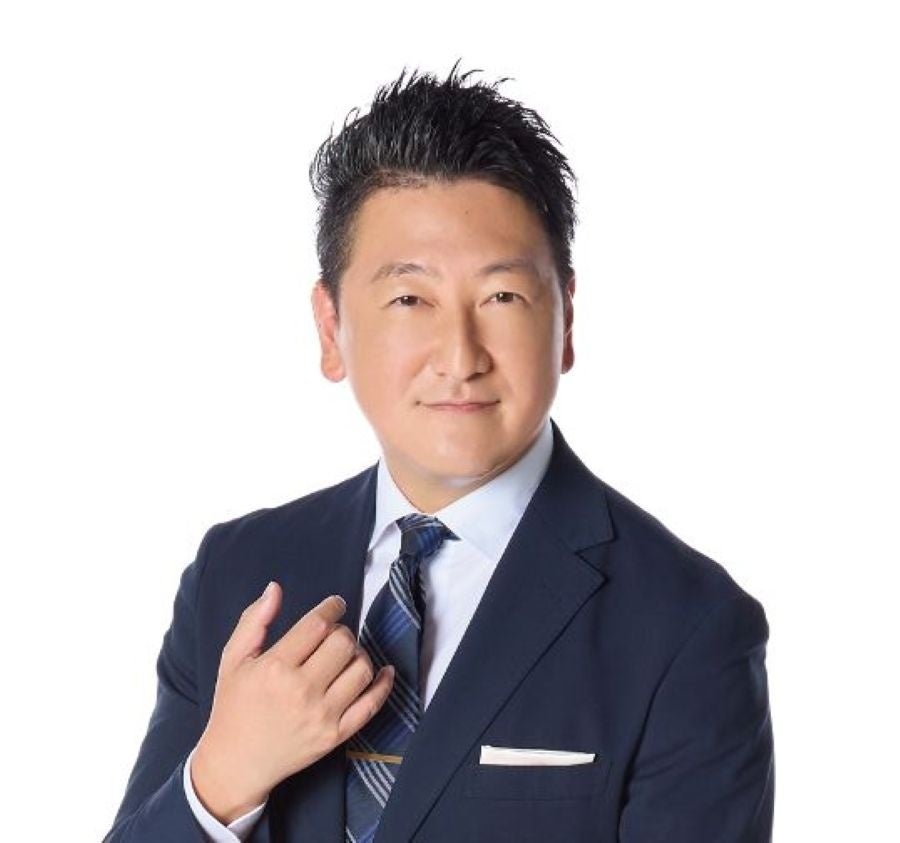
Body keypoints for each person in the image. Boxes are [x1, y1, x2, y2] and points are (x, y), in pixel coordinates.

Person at [104, 63, 774, 842]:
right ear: (331, 327)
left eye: (501, 296)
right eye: (409, 298)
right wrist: (222, 777)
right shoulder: (240, 575)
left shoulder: (688, 627)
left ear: (565, 318)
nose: (460, 356)